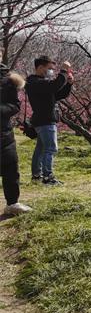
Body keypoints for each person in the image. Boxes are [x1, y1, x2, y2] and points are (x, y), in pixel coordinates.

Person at [25, 56, 73, 185]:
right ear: (41, 67)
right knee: (51, 148)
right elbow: (54, 86)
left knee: (41, 149)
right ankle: (48, 177)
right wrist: (63, 71)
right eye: (50, 68)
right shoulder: (35, 82)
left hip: (43, 120)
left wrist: (68, 84)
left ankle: (37, 175)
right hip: (45, 120)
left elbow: (58, 94)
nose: (51, 71)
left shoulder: (39, 83)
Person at [0, 62, 32, 215]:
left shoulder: (9, 80)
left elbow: (15, 105)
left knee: (11, 167)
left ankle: (12, 203)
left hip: (4, 132)